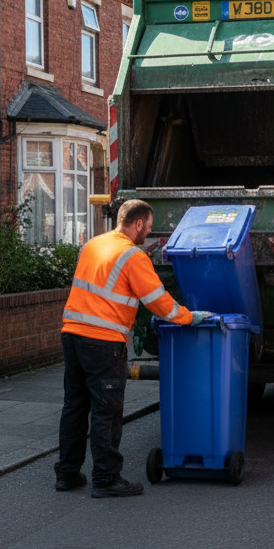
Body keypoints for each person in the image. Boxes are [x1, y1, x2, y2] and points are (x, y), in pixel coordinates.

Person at [56, 199, 210, 497]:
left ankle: (67, 473)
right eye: (149, 228)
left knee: (75, 406)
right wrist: (189, 317)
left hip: (72, 334)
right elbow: (158, 302)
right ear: (137, 224)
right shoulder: (132, 255)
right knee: (107, 410)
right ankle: (106, 478)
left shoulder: (93, 245)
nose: (149, 234)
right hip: (103, 341)